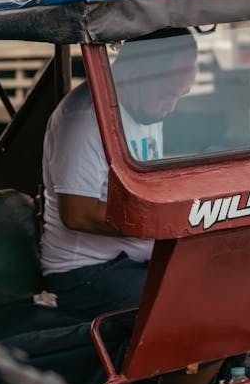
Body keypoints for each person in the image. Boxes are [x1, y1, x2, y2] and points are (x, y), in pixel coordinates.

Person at [40, 28, 198, 320]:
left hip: (135, 261)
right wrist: (159, 223)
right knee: (185, 305)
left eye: (180, 95)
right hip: (84, 273)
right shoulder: (87, 117)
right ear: (133, 73)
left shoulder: (145, 108)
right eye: (167, 94)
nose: (171, 107)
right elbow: (77, 213)